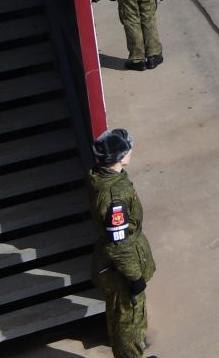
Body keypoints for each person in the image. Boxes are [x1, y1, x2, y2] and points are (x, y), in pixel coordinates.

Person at [89, 127, 156, 358]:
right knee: (129, 323)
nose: (131, 151)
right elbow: (119, 244)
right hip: (121, 272)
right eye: (129, 148)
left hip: (114, 267)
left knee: (122, 318)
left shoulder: (104, 178)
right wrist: (134, 276)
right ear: (120, 156)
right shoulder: (115, 195)